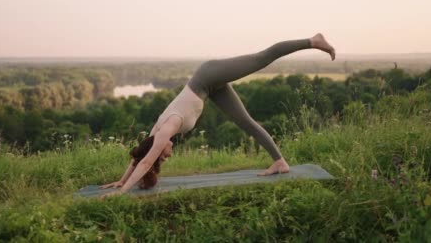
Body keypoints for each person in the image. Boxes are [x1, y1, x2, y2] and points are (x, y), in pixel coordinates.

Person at [99, 33, 336, 199]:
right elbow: (139, 157)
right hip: (209, 89)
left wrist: (120, 193)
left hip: (207, 75)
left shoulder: (167, 129)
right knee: (246, 122)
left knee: (261, 58)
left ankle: (312, 41)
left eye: (165, 157)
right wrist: (121, 180)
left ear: (160, 148)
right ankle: (280, 162)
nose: (169, 157)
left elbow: (147, 161)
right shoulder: (154, 137)